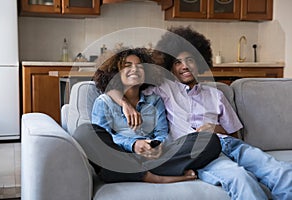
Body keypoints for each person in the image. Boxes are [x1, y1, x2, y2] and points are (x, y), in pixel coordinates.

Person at [113, 27, 292, 200]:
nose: (185, 66)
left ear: (199, 62)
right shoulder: (162, 90)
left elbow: (235, 134)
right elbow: (120, 86)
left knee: (281, 171)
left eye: (190, 60)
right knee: (240, 178)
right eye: (177, 62)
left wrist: (215, 128)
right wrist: (124, 104)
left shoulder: (217, 95)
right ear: (170, 67)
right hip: (200, 153)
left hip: (231, 146)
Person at [73, 47, 222, 184]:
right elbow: (105, 137)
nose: (135, 69)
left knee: (209, 140)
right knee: (84, 131)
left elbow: (162, 132)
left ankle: (130, 171)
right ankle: (152, 176)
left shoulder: (155, 100)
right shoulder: (104, 102)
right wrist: (133, 144)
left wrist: (156, 145)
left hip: (154, 157)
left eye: (140, 66)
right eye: (127, 65)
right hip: (121, 154)